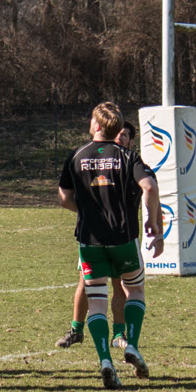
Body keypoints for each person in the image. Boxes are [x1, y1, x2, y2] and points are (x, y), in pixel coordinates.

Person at [58, 102, 163, 389]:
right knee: (135, 289)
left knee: (97, 301)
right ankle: (132, 344)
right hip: (123, 238)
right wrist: (153, 223)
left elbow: (64, 198)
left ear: (96, 125)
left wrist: (86, 212)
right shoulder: (128, 157)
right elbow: (150, 187)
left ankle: (105, 361)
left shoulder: (76, 155)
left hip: (89, 240)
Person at [55, 121, 143, 350]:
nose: (120, 138)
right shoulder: (91, 159)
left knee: (119, 284)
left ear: (131, 141)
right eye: (118, 134)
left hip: (119, 235)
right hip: (93, 235)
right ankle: (76, 330)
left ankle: (119, 333)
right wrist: (88, 213)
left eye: (125, 135)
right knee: (85, 283)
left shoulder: (129, 163)